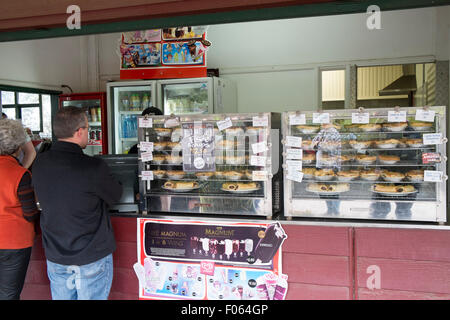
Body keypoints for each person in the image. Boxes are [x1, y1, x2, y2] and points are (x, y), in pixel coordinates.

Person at [32, 106, 122, 300]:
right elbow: (116, 197)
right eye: (88, 129)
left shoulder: (39, 163)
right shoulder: (93, 166)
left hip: (56, 256)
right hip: (91, 256)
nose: (88, 133)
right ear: (79, 131)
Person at [0, 119, 40, 300]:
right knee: (9, 294)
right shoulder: (20, 174)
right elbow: (30, 213)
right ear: (18, 146)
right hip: (14, 242)